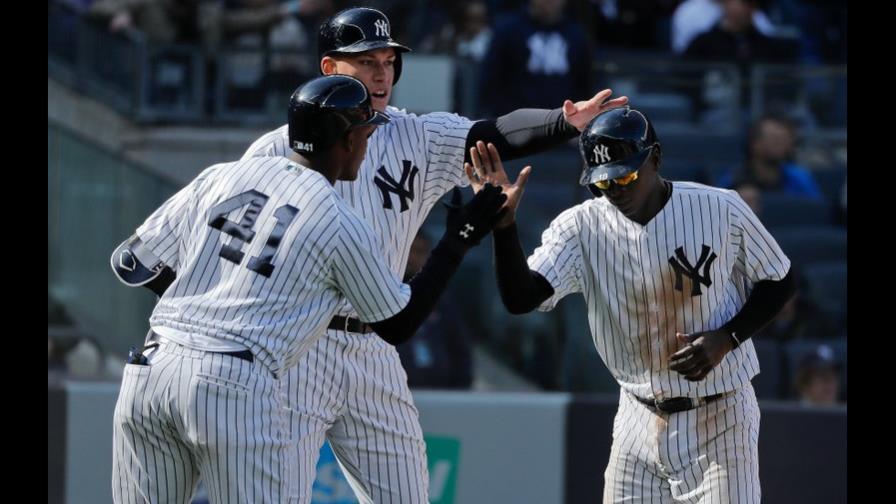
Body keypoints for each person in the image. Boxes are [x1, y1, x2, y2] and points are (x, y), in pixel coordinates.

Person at [240, 6, 628, 502]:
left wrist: (564, 122)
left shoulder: (414, 135)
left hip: (375, 348)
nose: (381, 74)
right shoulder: (275, 151)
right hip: (300, 344)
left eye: (388, 61)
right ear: (330, 69)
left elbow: (493, 134)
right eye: (366, 63)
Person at [109, 74, 507, 503]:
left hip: (150, 370)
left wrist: (202, 304)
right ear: (347, 141)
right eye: (365, 132)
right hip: (231, 379)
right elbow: (400, 323)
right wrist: (460, 236)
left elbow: (130, 261)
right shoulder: (336, 219)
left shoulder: (225, 175)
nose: (370, 142)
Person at [471, 106, 797, 502]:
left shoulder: (719, 208)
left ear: (655, 159)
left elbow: (779, 280)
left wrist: (727, 338)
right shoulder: (581, 226)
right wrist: (504, 230)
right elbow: (522, 298)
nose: (615, 190)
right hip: (637, 416)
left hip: (720, 414)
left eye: (624, 175)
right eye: (602, 182)